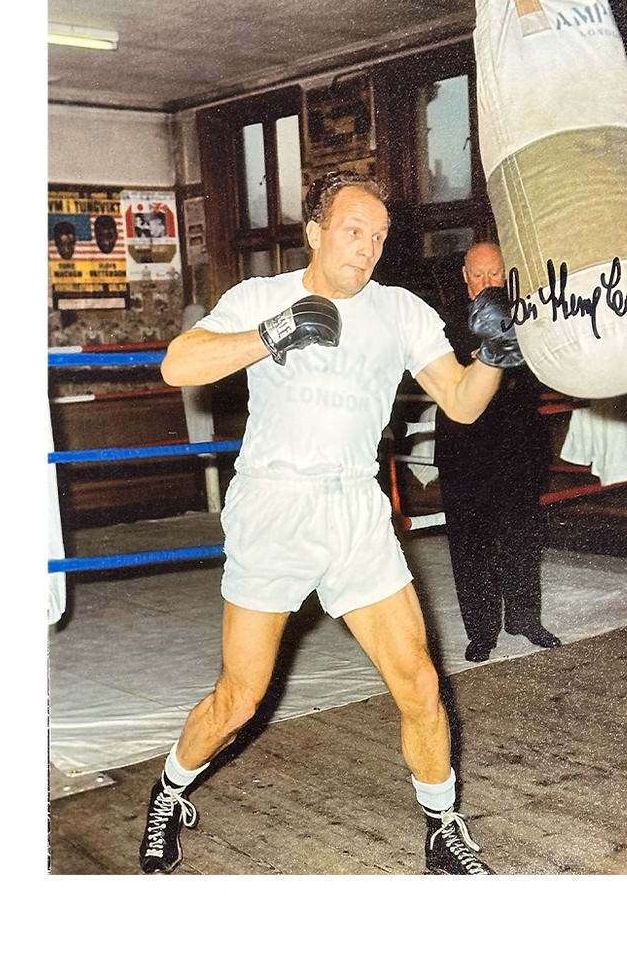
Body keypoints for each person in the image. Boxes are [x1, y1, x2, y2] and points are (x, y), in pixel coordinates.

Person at [139, 172, 524, 878]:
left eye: (378, 237)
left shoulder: (400, 310)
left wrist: (493, 359)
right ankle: (169, 792)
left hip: (354, 509)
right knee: (239, 699)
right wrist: (272, 332)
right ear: (315, 232)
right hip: (274, 508)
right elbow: (177, 364)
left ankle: (442, 827)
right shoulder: (261, 297)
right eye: (353, 231)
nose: (367, 248)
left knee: (418, 681)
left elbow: (463, 403)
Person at [434, 242, 560, 663]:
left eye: (496, 275)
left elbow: (544, 367)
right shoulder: (442, 321)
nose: (488, 283)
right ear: (464, 277)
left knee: (522, 536)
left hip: (518, 445)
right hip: (464, 449)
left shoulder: (529, 314)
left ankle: (525, 619)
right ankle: (482, 632)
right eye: (479, 275)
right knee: (471, 544)